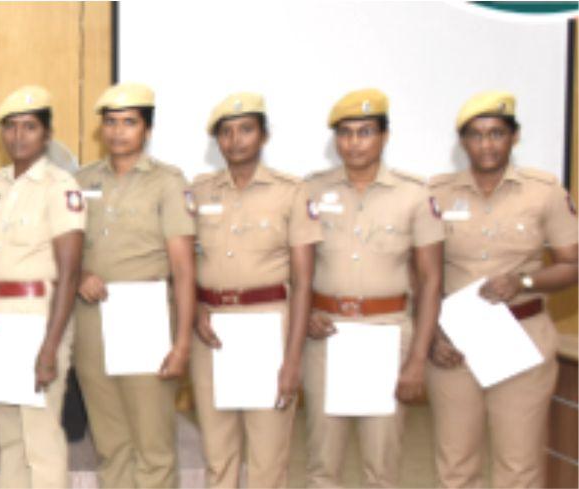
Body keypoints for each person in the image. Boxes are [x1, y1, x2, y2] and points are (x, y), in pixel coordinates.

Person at [425, 90, 577, 488]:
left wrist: (524, 281)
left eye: (496, 133)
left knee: (519, 467)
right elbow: (420, 274)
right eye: (476, 135)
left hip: (521, 337)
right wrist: (431, 336)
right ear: (462, 142)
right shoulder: (437, 194)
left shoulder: (544, 191)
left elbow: (572, 264)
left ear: (514, 136)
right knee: (456, 467)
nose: (486, 144)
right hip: (453, 343)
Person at [301, 88, 442, 488]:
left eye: (365, 132)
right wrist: (305, 312)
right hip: (325, 335)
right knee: (321, 464)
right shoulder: (310, 191)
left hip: (387, 333)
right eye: (345, 133)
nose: (354, 142)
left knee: (382, 466)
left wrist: (417, 359)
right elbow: (294, 269)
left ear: (384, 136)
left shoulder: (415, 194)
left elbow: (431, 280)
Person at [186, 93, 318, 488]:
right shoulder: (198, 191)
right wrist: (194, 309)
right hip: (211, 332)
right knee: (218, 457)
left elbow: (304, 282)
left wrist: (292, 360)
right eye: (226, 132)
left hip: (269, 328)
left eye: (245, 129)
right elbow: (184, 265)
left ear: (264, 135)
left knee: (267, 462)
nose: (235, 140)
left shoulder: (291, 192)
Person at [72, 83, 196, 488]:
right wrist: (78, 275)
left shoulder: (167, 182)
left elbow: (184, 268)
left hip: (145, 316)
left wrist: (182, 345)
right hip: (92, 318)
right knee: (110, 444)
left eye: (129, 122)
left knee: (152, 446)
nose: (118, 131)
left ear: (147, 129)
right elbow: (64, 250)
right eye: (110, 122)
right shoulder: (82, 180)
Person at [0, 85, 86, 488]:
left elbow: (70, 273)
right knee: (9, 440)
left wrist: (51, 346)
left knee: (41, 440)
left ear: (47, 134)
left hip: (38, 322)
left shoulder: (60, 186)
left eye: (30, 127)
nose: (18, 136)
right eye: (11, 127)